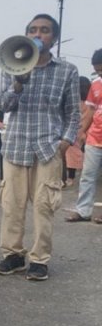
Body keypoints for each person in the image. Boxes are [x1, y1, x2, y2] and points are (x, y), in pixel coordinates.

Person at [0, 14, 80, 281]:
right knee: (12, 204)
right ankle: (13, 255)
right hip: (16, 145)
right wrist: (19, 81)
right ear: (26, 35)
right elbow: (4, 106)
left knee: (44, 206)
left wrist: (65, 142)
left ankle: (39, 259)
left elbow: (73, 113)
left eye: (44, 31)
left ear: (54, 38)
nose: (38, 34)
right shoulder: (10, 65)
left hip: (47, 148)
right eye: (33, 30)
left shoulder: (67, 70)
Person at [65, 52, 102, 223]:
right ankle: (83, 211)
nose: (100, 74)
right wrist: (81, 133)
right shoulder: (95, 85)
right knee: (87, 175)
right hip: (95, 138)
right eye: (98, 71)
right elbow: (91, 111)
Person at [62, 76, 90, 187]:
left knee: (70, 155)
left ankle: (70, 178)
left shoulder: (74, 101)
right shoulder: (90, 102)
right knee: (89, 154)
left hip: (75, 131)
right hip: (89, 130)